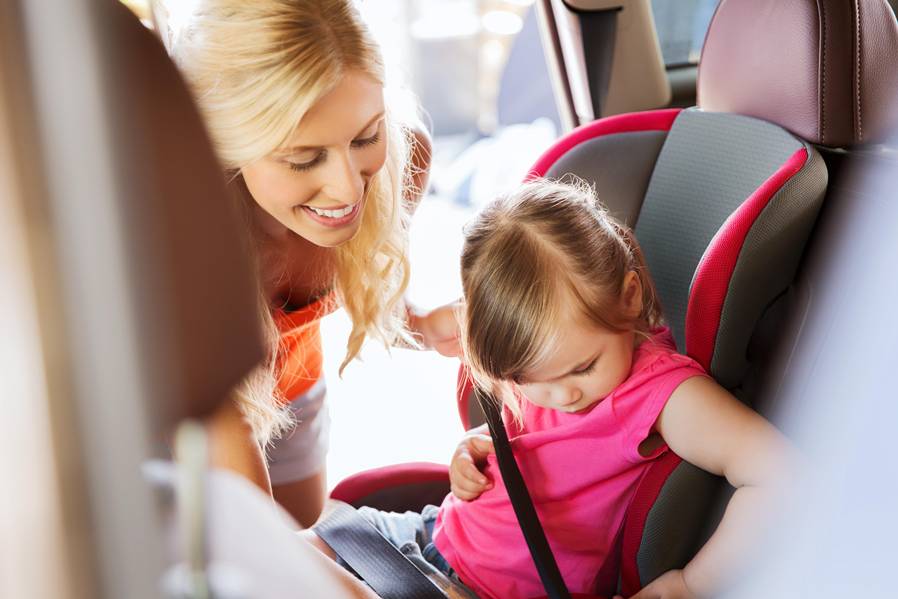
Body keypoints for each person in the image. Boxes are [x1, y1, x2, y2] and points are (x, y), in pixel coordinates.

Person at [305, 179, 795, 599]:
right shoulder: (552, 368)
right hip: (429, 535)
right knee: (282, 550)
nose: (561, 396)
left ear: (628, 296)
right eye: (525, 381)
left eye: (582, 368)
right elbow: (538, 434)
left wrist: (691, 583)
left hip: (481, 590)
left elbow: (783, 475)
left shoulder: (658, 394)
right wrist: (472, 446)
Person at [162, 0, 460, 528]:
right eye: (303, 159)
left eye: (366, 137)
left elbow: (364, 271)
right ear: (224, 149)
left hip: (295, 390)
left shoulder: (402, 162)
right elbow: (234, 429)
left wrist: (419, 321)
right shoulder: (182, 243)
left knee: (306, 533)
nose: (349, 188)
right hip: (191, 419)